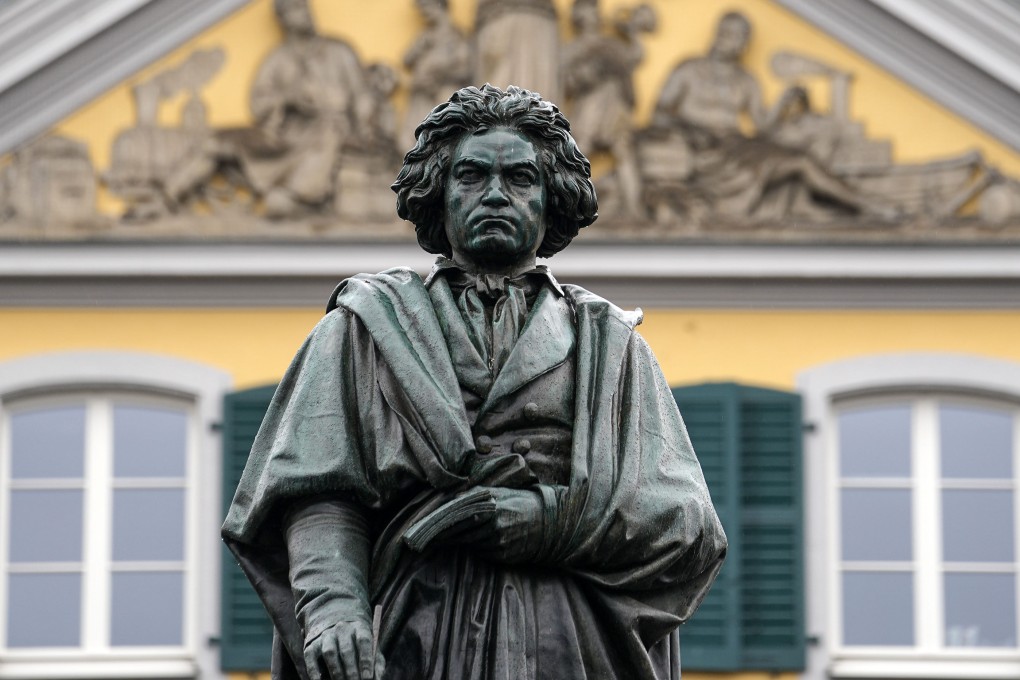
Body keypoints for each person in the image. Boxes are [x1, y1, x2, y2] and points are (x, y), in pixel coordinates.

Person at [222, 85, 727, 680]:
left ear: (550, 199)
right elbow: (316, 487)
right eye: (471, 175)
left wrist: (550, 522)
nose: (494, 194)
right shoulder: (364, 327)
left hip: (568, 636)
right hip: (413, 626)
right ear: (440, 192)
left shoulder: (612, 347)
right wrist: (333, 606)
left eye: (519, 178)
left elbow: (687, 525)